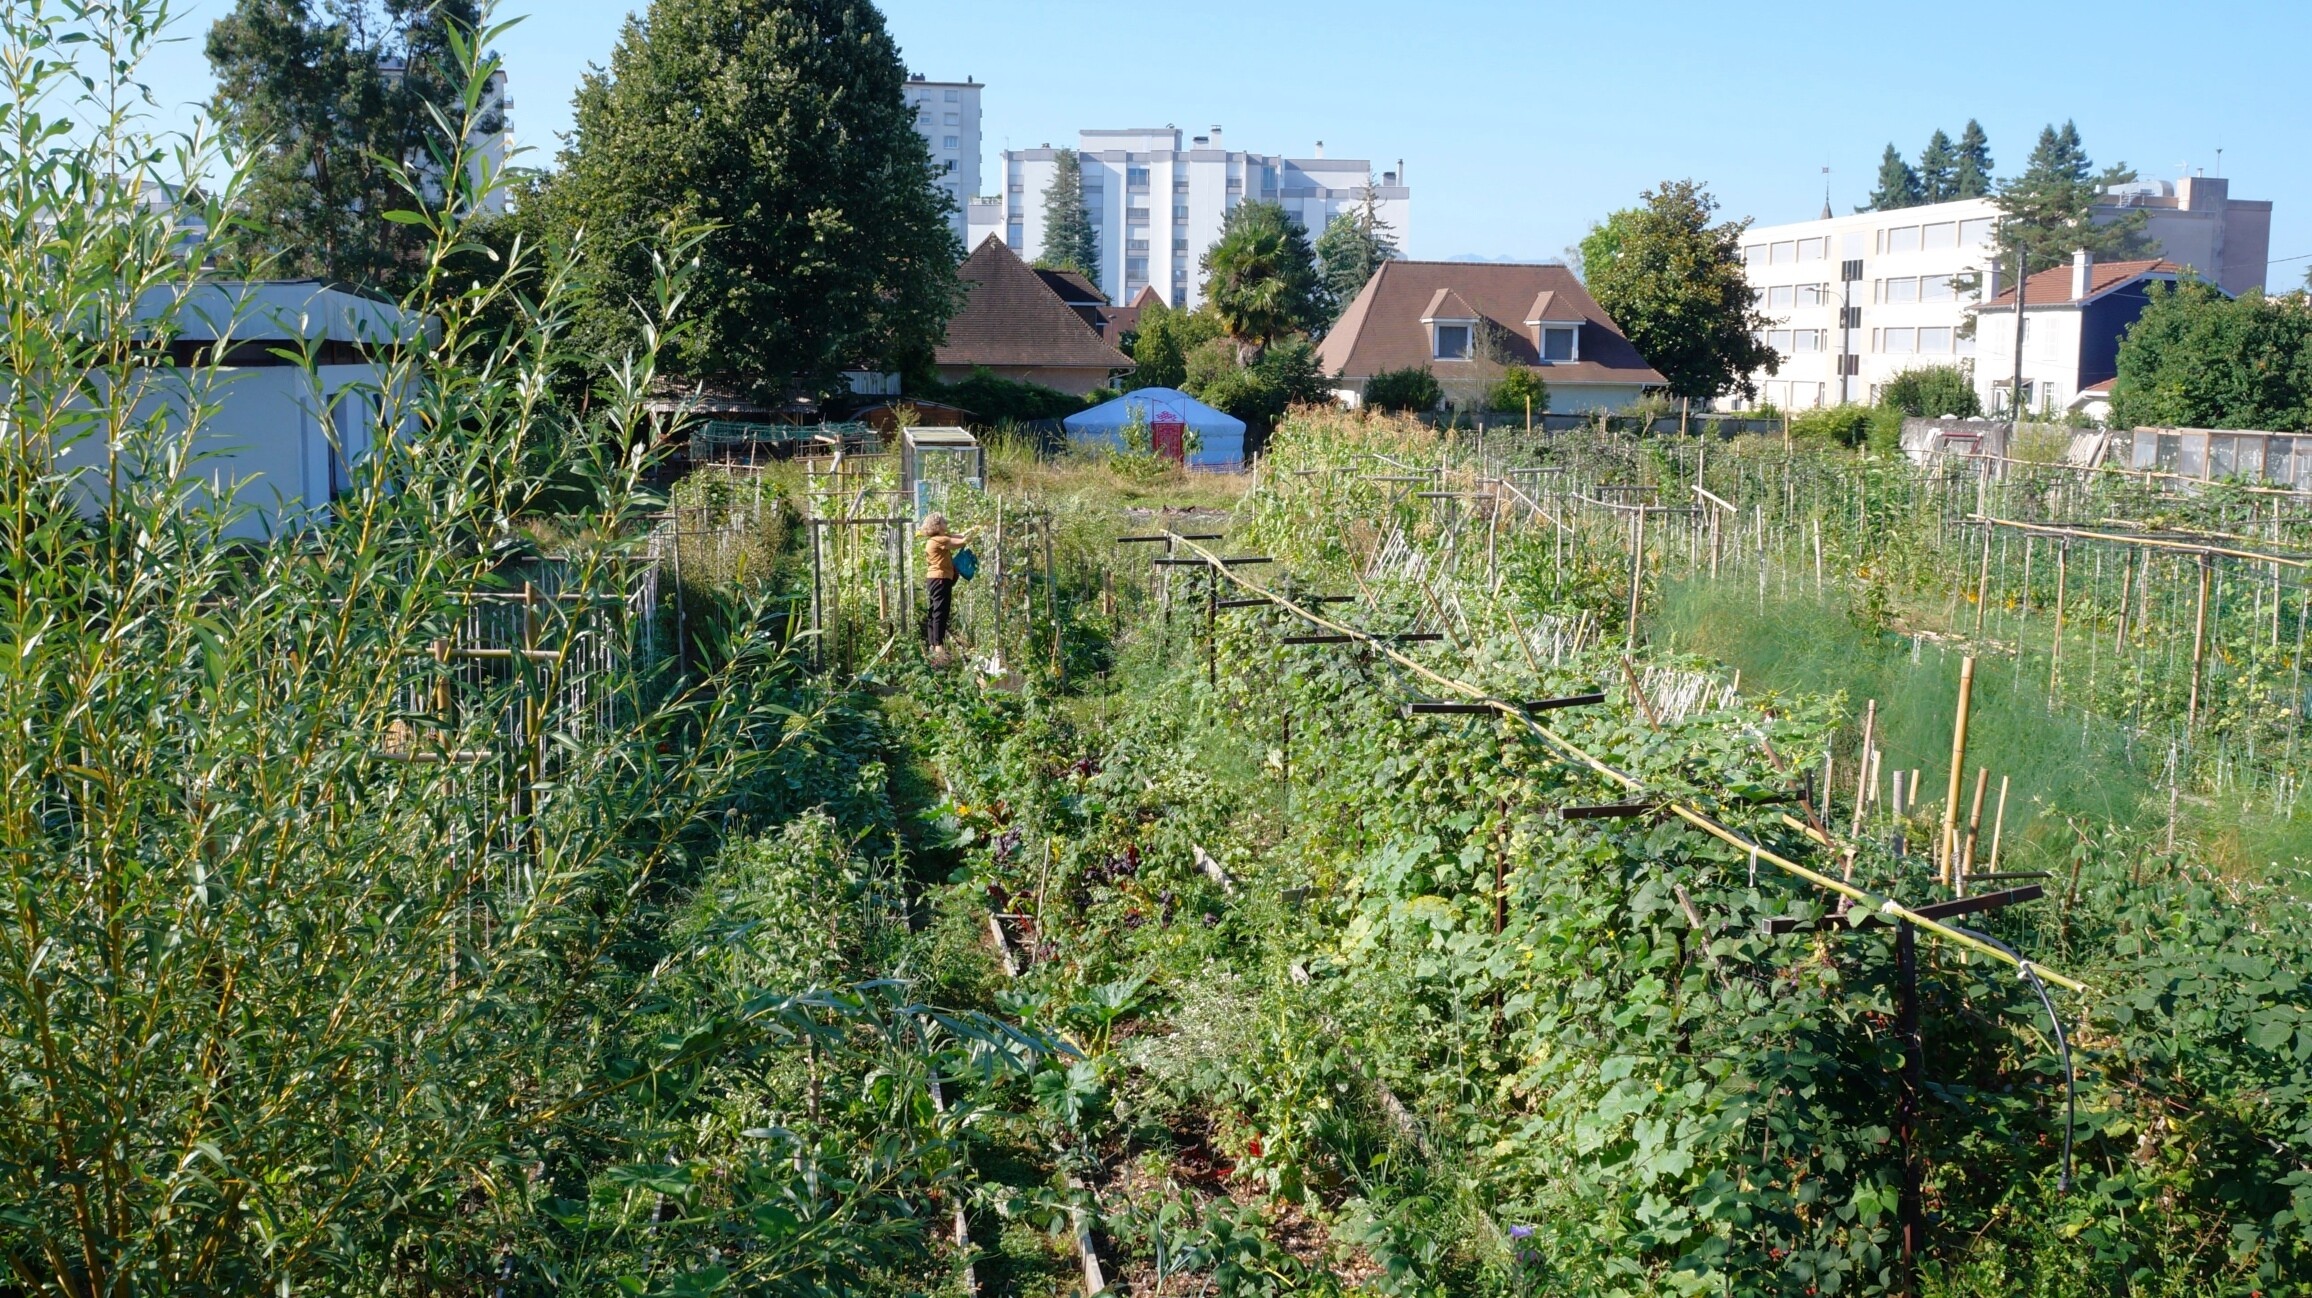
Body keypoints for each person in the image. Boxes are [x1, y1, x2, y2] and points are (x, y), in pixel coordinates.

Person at [919, 513, 974, 655]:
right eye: (943, 521)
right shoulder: (939, 540)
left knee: (934, 611)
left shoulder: (936, 539)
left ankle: (933, 644)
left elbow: (959, 536)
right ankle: (938, 647)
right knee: (940, 612)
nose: (946, 522)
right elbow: (962, 541)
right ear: (937, 525)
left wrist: (972, 529)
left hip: (934, 579)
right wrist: (975, 533)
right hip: (940, 579)